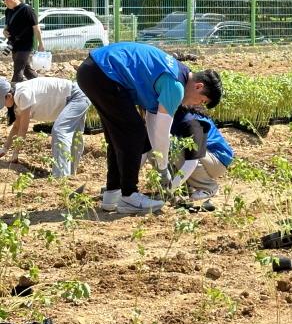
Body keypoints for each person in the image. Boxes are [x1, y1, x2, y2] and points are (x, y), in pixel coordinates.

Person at [76, 42, 223, 214]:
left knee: (119, 136)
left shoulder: (177, 74)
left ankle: (112, 194)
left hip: (92, 70)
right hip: (104, 72)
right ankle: (129, 196)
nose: (197, 105)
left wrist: (162, 165)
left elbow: (153, 127)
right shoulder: (176, 86)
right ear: (199, 87)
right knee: (134, 134)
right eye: (202, 101)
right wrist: (163, 169)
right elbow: (161, 134)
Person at [0, 77, 90, 177]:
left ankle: (61, 177)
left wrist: (15, 154)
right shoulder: (17, 98)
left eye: (3, 103)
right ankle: (70, 175)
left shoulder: (23, 94)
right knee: (74, 136)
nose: (5, 106)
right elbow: (16, 127)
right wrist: (4, 149)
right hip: (75, 98)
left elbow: (23, 129)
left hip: (76, 96)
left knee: (60, 131)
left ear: (8, 96)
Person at [168, 105, 234, 201]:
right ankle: (186, 186)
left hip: (217, 161)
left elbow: (192, 159)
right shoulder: (180, 116)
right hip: (209, 158)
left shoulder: (192, 120)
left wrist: (169, 190)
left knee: (178, 148)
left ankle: (208, 187)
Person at [1, 0, 45, 82]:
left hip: (25, 45)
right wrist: (4, 32)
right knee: (26, 70)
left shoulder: (27, 9)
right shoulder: (8, 11)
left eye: (7, 1)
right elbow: (6, 27)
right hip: (13, 44)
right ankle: (41, 84)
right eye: (4, 2)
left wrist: (40, 43)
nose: (6, 4)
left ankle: (13, 92)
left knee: (18, 70)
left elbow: (36, 28)